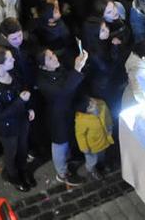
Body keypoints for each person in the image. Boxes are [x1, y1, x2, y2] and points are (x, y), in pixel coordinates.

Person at [0, 47, 35, 192]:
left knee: (23, 148)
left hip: (22, 121)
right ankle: (13, 175)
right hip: (8, 127)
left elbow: (22, 90)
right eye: (10, 59)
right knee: (11, 153)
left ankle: (23, 170)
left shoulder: (13, 74)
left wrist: (28, 107)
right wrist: (20, 102)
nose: (13, 60)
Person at [35, 48, 87, 186]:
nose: (55, 58)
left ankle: (69, 161)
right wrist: (77, 69)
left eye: (53, 55)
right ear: (43, 66)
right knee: (60, 144)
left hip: (67, 111)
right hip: (58, 116)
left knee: (67, 140)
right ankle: (62, 173)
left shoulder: (57, 69)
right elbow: (63, 92)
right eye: (50, 58)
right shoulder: (43, 81)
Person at [75, 96, 114, 181]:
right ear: (85, 111)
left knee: (101, 155)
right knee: (92, 160)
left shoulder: (101, 105)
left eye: (91, 101)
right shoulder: (82, 120)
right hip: (91, 146)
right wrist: (84, 147)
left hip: (103, 139)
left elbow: (107, 116)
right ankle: (91, 170)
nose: (93, 104)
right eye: (89, 106)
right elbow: (80, 135)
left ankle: (100, 166)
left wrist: (110, 127)